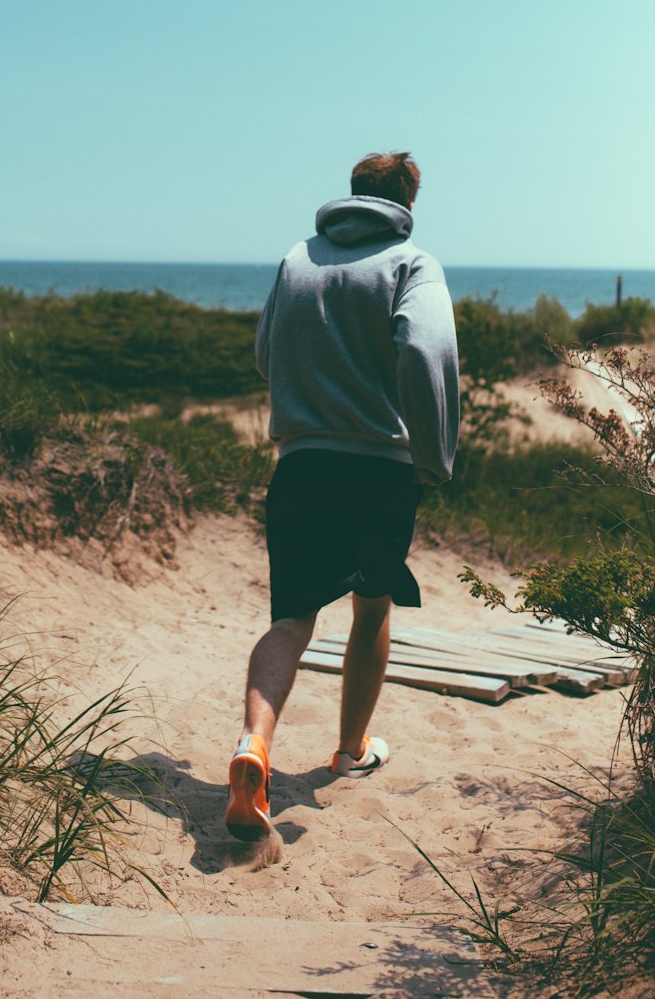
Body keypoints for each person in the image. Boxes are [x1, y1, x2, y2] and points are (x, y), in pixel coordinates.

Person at [225, 151, 459, 841]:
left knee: (292, 617)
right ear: (408, 203)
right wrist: (432, 455)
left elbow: (267, 351)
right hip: (378, 469)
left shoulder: (298, 259)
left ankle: (253, 744)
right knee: (369, 609)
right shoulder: (413, 263)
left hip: (300, 464)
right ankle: (351, 752)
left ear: (353, 192)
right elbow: (425, 352)